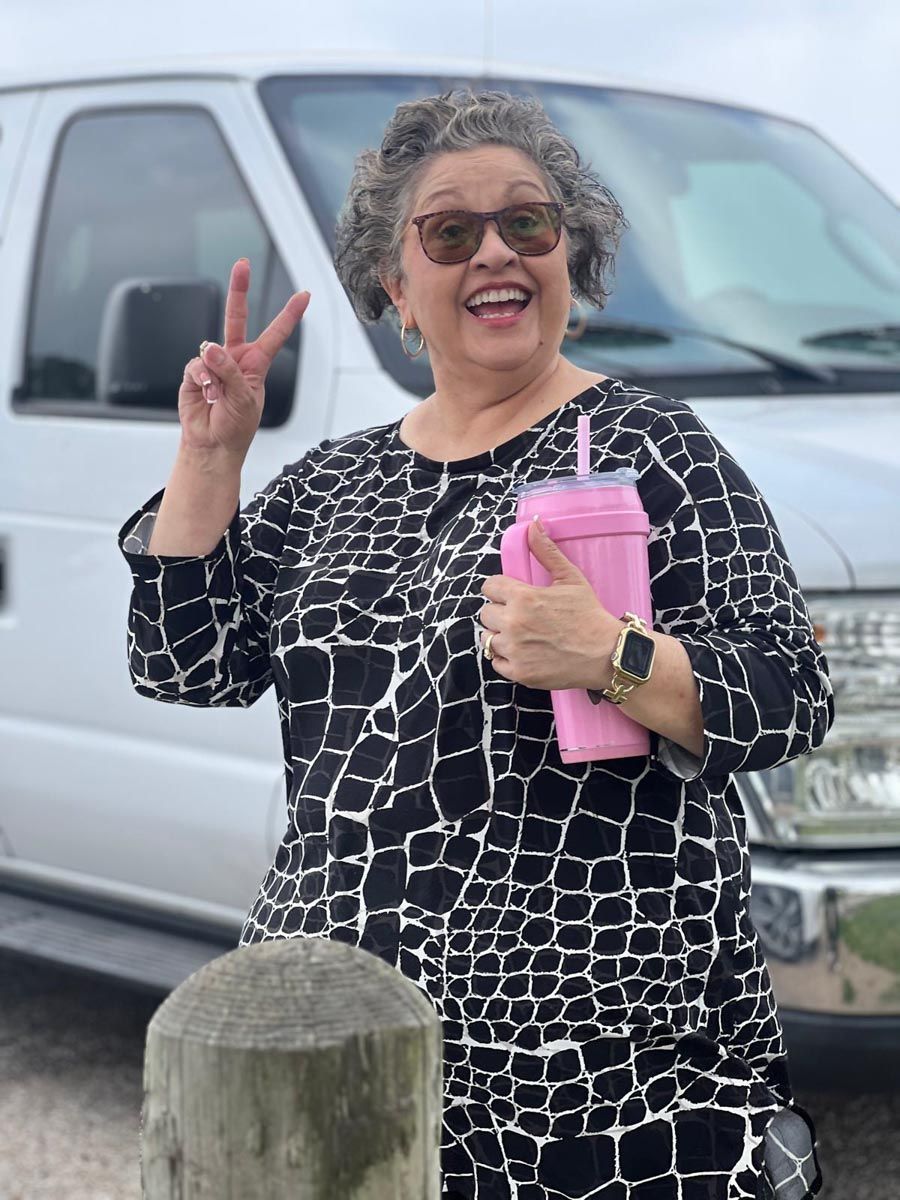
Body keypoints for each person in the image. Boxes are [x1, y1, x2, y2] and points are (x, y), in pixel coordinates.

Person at [116, 87, 833, 1200]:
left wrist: (615, 656)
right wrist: (210, 458)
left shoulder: (650, 447)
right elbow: (185, 663)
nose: (496, 251)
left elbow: (791, 692)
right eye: (451, 231)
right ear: (396, 285)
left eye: (527, 222)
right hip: (344, 1048)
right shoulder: (334, 482)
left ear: (570, 255)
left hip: (598, 1090)